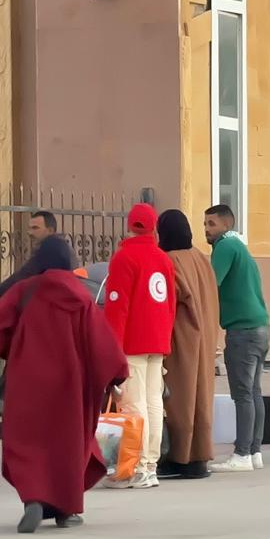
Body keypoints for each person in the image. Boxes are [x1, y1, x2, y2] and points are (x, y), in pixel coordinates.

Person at [0, 236, 128, 532]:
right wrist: (117, 376)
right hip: (69, 385)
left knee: (29, 443)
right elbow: (101, 343)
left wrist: (11, 350)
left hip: (26, 381)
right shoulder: (80, 297)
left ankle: (34, 501)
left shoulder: (23, 292)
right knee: (67, 444)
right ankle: (66, 509)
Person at [102, 203, 177, 489]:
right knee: (154, 403)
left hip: (131, 342)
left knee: (133, 406)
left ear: (130, 225)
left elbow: (117, 308)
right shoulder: (162, 259)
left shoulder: (125, 258)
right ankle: (150, 465)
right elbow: (169, 303)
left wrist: (112, 348)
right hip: (157, 341)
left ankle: (135, 468)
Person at [203, 204, 270, 472]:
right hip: (260, 326)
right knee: (254, 392)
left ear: (225, 225)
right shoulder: (240, 247)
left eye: (211, 224)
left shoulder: (225, 248)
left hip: (242, 329)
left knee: (242, 394)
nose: (207, 229)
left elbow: (211, 284)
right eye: (205, 224)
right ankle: (254, 451)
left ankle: (242, 453)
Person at [156, 210, 220, 480]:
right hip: (205, 334)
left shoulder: (169, 261)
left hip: (180, 337)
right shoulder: (200, 258)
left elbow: (166, 302)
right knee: (201, 398)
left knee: (178, 400)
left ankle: (180, 457)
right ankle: (199, 457)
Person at [0, 211, 60, 305]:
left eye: (35, 228)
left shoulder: (49, 250)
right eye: (29, 228)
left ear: (50, 230)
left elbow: (24, 275)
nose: (29, 232)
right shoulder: (60, 247)